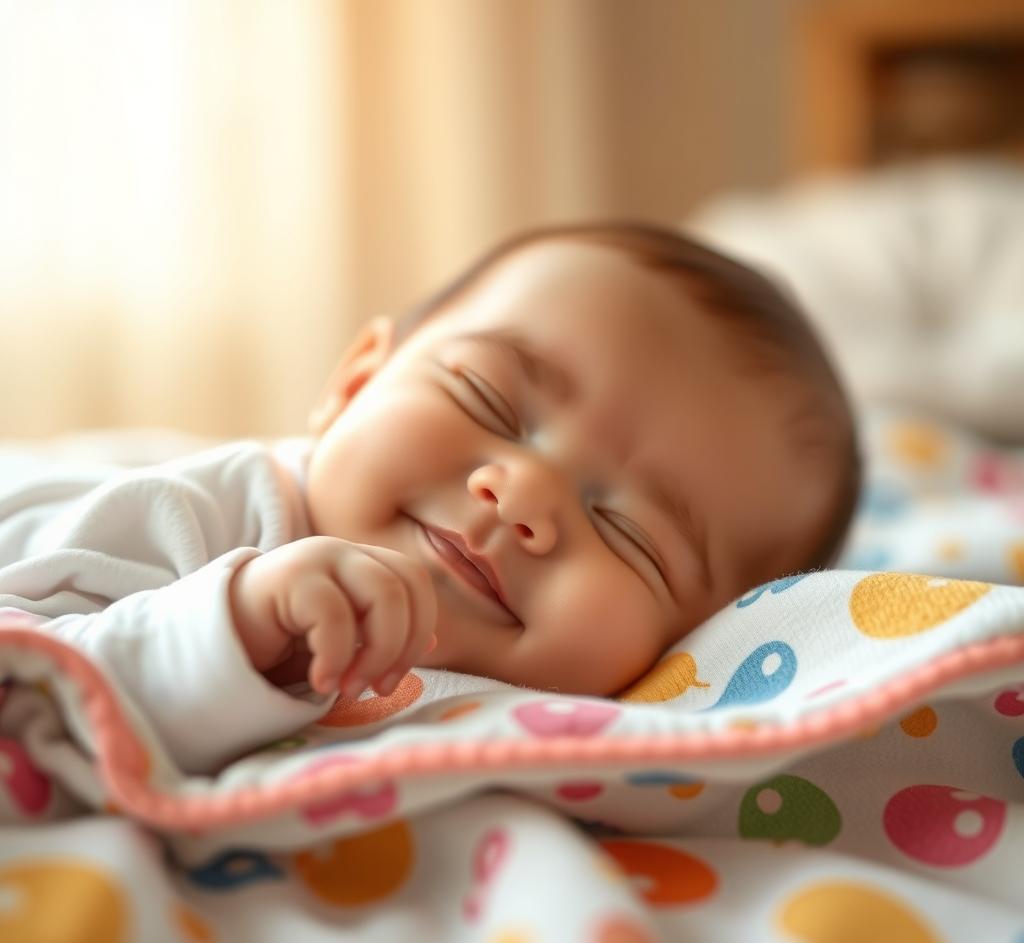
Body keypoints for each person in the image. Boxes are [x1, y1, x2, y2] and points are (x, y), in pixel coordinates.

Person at [0, 223, 860, 773]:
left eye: (631, 533)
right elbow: (24, 661)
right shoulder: (206, 513)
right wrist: (228, 627)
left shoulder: (580, 735)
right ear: (357, 381)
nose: (526, 494)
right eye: (488, 400)